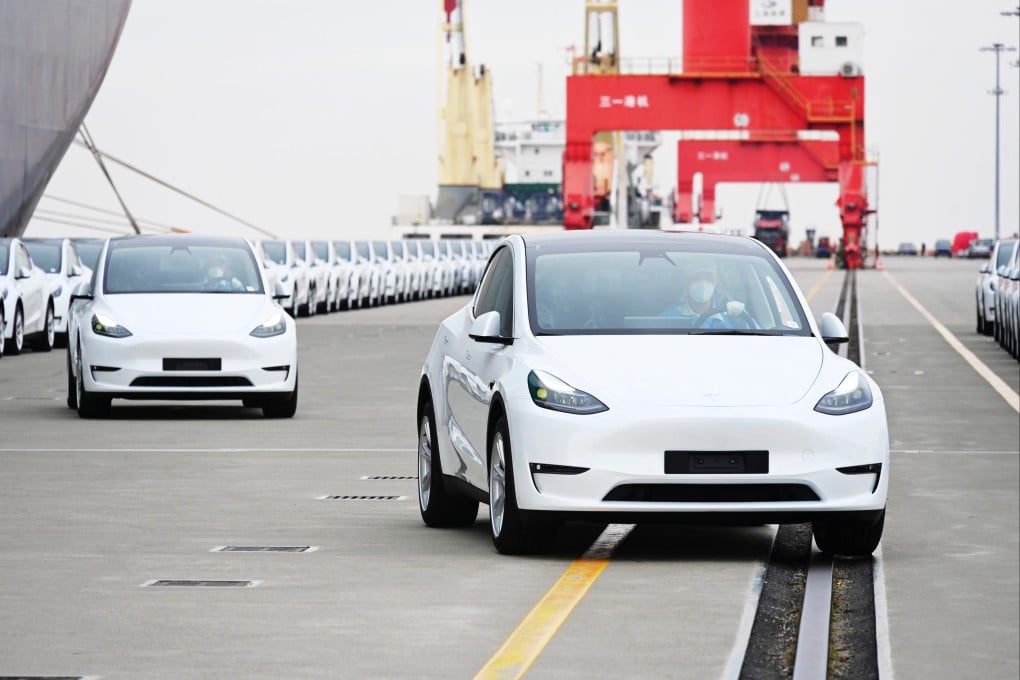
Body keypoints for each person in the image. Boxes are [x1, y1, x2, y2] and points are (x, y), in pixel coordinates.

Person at [660, 257, 755, 329]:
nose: (703, 282)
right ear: (686, 281)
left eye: (708, 277)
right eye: (696, 277)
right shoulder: (669, 317)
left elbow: (756, 338)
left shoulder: (732, 314)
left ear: (716, 280)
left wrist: (738, 321)